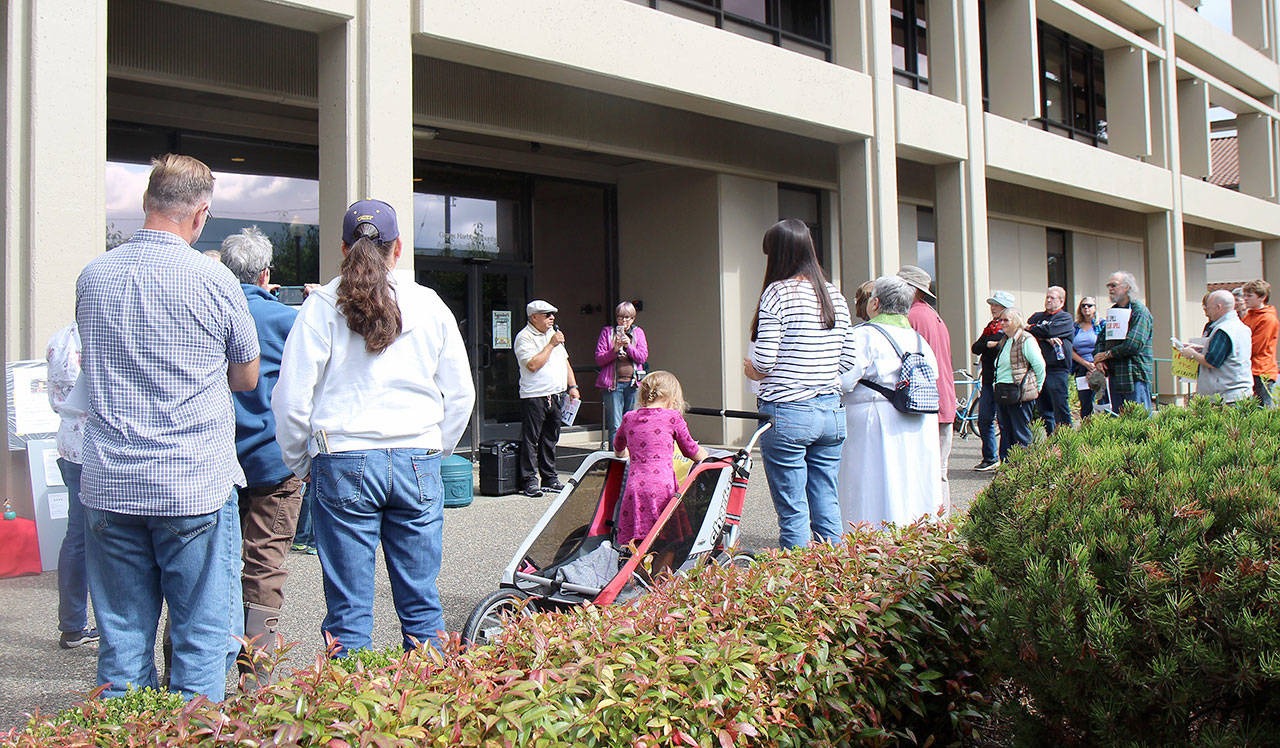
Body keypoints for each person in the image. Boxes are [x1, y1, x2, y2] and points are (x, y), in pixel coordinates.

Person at [76, 154, 260, 700]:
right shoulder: (214, 280)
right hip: (191, 482)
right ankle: (194, 731)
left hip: (110, 480)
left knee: (122, 643)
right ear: (201, 214)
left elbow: (92, 363)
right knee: (202, 637)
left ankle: (121, 732)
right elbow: (247, 377)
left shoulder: (94, 276)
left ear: (144, 202)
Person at [273, 199, 474, 657]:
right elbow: (461, 393)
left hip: (342, 459)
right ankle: (434, 719)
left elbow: (289, 399)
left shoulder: (321, 306)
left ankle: (352, 720)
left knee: (348, 614)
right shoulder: (428, 304)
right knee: (423, 606)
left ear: (344, 249)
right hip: (416, 459)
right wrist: (434, 449)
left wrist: (301, 459)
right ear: (398, 248)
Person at [219, 227, 303, 678]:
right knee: (264, 565)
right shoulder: (287, 321)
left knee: (210, 568)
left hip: (218, 463)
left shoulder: (207, 312)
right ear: (266, 273)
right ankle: (257, 681)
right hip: (275, 461)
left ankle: (190, 679)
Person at [744, 219, 855, 549]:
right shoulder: (833, 294)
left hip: (788, 411)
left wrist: (752, 370)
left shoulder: (777, 292)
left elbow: (764, 359)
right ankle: (835, 581)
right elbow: (848, 360)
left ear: (778, 254)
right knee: (826, 502)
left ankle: (798, 589)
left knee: (793, 510)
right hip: (831, 412)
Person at [837, 275, 943, 527]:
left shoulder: (863, 335)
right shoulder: (919, 340)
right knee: (908, 485)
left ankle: (866, 541)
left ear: (875, 304)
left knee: (872, 485)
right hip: (916, 421)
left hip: (873, 421)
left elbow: (843, 379)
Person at [45, 323, 98, 650]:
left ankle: (72, 621)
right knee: (87, 537)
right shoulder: (92, 337)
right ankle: (74, 624)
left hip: (67, 441)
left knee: (75, 535)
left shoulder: (60, 337)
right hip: (89, 444)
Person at [612, 371, 708, 547]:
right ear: (672, 397)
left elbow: (618, 447)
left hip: (635, 488)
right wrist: (705, 455)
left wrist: (624, 454)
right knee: (667, 541)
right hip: (662, 487)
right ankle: (659, 575)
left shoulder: (629, 417)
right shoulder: (672, 418)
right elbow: (691, 451)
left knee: (637, 540)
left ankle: (635, 573)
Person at [897, 266, 957, 503]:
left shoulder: (912, 317)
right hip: (943, 401)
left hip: (926, 404)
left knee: (925, 473)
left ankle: (933, 527)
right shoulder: (932, 315)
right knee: (939, 471)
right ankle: (942, 528)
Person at [515, 300, 581, 498]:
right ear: (534, 317)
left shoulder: (554, 337)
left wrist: (573, 386)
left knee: (550, 438)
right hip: (535, 395)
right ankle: (529, 480)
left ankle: (550, 477)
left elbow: (565, 362)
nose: (552, 318)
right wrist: (551, 344)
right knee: (531, 439)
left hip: (556, 394)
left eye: (553, 314)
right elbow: (533, 365)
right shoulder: (524, 337)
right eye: (547, 314)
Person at [1093, 271, 1154, 414]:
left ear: (1127, 287)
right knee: (1119, 421)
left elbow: (1134, 344)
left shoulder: (1139, 312)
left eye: (1113, 285)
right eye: (1108, 286)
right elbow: (1101, 339)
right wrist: (1099, 359)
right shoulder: (1114, 312)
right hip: (1116, 375)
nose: (1110, 289)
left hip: (1134, 376)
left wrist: (1107, 355)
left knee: (1139, 421)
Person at [1182, 290, 1253, 403]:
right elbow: (1230, 352)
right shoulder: (1241, 327)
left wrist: (1192, 354)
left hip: (1225, 397)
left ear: (1218, 307)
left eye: (1208, 308)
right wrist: (1202, 348)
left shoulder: (1223, 330)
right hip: (1242, 392)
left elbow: (1211, 361)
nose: (1207, 312)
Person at [594, 301, 649, 448]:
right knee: (616, 425)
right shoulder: (607, 332)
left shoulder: (638, 333)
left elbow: (642, 357)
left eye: (627, 318)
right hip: (613, 385)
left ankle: (630, 459)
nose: (623, 321)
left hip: (633, 384)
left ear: (633, 319)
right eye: (620, 317)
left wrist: (628, 346)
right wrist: (614, 350)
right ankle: (616, 460)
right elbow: (599, 359)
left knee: (632, 423)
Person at [993, 308, 1045, 459]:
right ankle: (1007, 468)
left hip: (1019, 393)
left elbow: (1039, 365)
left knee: (1021, 433)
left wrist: (1037, 388)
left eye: (1006, 320)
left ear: (1016, 321)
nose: (1002, 323)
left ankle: (1024, 469)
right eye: (1000, 320)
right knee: (1006, 432)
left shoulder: (1026, 339)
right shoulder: (1005, 340)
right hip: (1004, 392)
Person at [970, 291, 1014, 471]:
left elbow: (1002, 347)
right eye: (992, 304)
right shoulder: (991, 327)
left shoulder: (1011, 328)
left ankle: (1007, 460)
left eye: (996, 305)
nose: (992, 308)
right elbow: (977, 347)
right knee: (984, 419)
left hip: (1004, 381)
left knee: (1004, 422)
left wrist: (990, 345)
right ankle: (990, 457)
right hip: (988, 380)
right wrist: (989, 344)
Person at [1026, 286, 1074, 432]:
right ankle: (1050, 441)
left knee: (1060, 406)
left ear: (1061, 301)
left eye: (1052, 298)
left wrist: (1041, 332)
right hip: (1040, 368)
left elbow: (1049, 330)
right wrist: (1046, 338)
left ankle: (1066, 440)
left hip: (1057, 369)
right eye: (1047, 297)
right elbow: (1026, 329)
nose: (1047, 300)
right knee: (1044, 409)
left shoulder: (1064, 318)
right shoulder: (1037, 317)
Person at [1241, 279, 1278, 407]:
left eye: (1249, 296)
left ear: (1262, 297)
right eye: (1244, 295)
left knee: (1264, 408)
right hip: (1250, 369)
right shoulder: (1249, 315)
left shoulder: (1267, 318)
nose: (1245, 299)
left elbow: (1256, 346)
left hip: (1262, 371)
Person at [1071, 296, 1104, 418]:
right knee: (1085, 402)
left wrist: (1095, 365)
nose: (1086, 308)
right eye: (1083, 305)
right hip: (1082, 366)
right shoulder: (1075, 327)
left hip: (1100, 366)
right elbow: (1070, 349)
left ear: (1095, 308)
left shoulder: (1101, 324)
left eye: (1089, 305)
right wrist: (1085, 364)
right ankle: (1087, 429)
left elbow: (1106, 345)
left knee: (1102, 400)